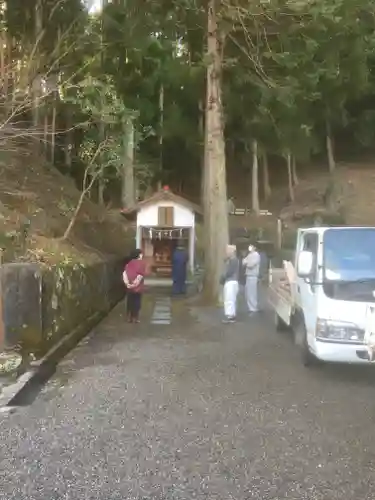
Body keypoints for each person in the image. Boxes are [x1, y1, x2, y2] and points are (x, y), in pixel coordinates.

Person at [123, 249, 146, 323]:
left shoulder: (128, 263)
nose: (142, 255)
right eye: (141, 254)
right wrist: (134, 284)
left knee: (130, 301)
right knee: (137, 301)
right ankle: (135, 317)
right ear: (138, 255)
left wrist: (127, 284)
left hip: (129, 287)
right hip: (137, 288)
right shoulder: (141, 263)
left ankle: (129, 317)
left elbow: (124, 273)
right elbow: (140, 275)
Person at [220, 244, 240, 323]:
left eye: (228, 251)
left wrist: (223, 277)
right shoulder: (231, 260)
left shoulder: (233, 260)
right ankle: (231, 314)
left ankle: (230, 316)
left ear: (232, 252)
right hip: (231, 281)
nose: (227, 252)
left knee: (229, 299)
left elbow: (229, 272)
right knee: (230, 299)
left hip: (231, 281)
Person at [243, 244, 261, 315]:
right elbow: (243, 261)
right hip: (248, 275)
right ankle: (250, 307)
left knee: (252, 292)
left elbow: (251, 265)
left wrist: (247, 263)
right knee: (248, 292)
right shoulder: (249, 255)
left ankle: (253, 308)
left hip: (253, 276)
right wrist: (247, 263)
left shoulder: (256, 255)